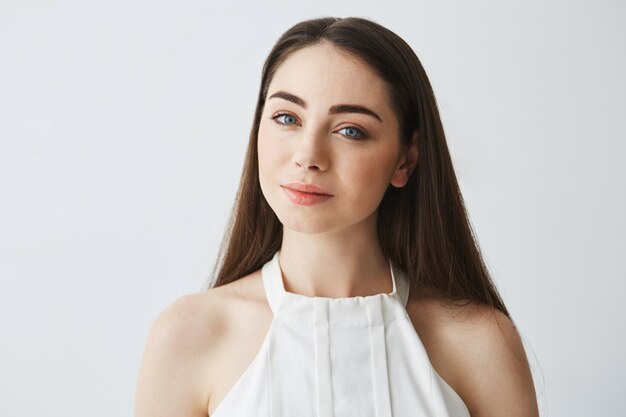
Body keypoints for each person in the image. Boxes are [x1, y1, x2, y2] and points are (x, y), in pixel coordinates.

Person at [135, 16, 539, 417]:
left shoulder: (482, 343)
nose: (308, 156)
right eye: (287, 118)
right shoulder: (188, 336)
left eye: (350, 130)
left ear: (406, 159)